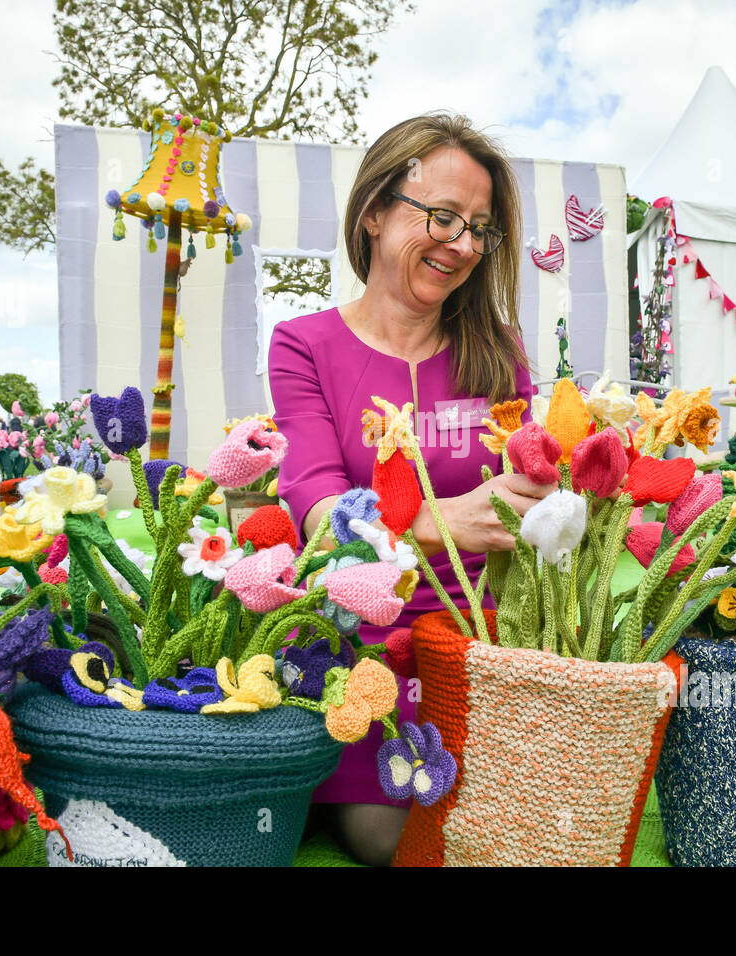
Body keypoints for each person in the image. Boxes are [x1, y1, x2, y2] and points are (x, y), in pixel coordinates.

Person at [268, 112, 556, 865]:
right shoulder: (303, 346)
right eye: (441, 216)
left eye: (480, 228)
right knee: (384, 836)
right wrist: (435, 521)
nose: (462, 244)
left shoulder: (497, 354)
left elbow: (522, 500)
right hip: (359, 639)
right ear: (373, 213)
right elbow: (319, 512)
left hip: (479, 642)